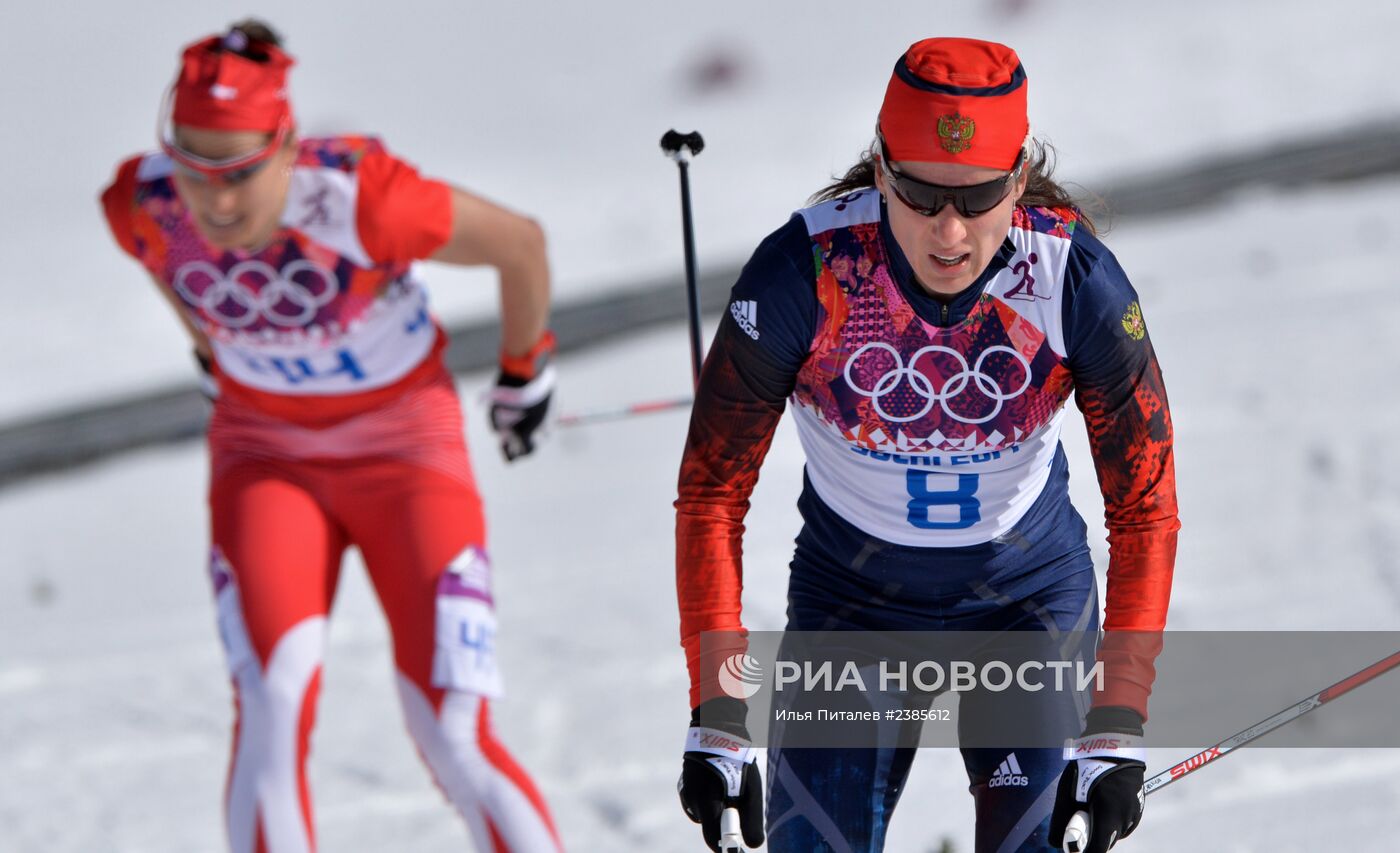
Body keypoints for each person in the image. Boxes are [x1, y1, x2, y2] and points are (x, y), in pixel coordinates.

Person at [675, 37, 1178, 853]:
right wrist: (719, 714)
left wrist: (1116, 721)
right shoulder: (803, 273)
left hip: (1026, 607)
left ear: (1017, 178)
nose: (950, 231)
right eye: (918, 192)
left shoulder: (1071, 280)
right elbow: (711, 493)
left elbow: (1146, 505)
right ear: (881, 168)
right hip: (853, 613)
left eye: (979, 197)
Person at [100, 21, 562, 853]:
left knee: (451, 725)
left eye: (241, 172)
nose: (219, 202)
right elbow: (157, 258)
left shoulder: (365, 201)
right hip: (265, 459)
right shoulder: (142, 203)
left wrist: (526, 369)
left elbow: (520, 245)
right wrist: (210, 347)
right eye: (197, 171)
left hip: (406, 457)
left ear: (285, 146)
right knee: (271, 707)